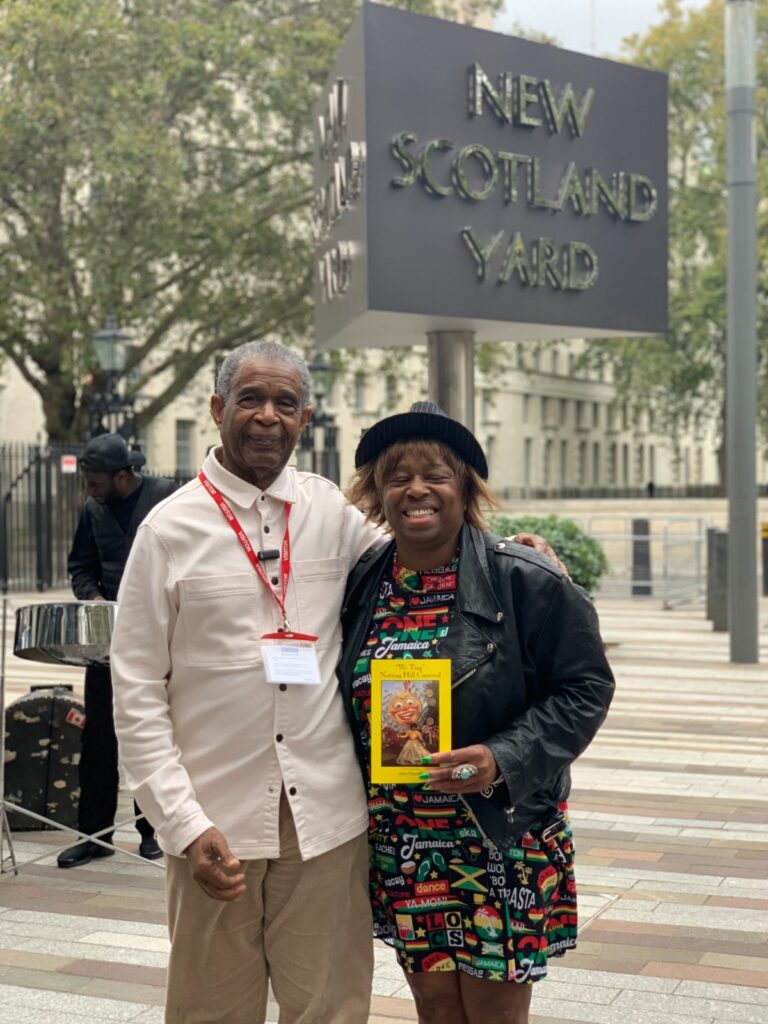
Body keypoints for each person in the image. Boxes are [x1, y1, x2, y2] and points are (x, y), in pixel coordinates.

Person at [109, 341, 384, 1024]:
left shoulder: (331, 513)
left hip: (326, 821)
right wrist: (181, 821)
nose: (268, 416)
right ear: (216, 409)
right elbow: (137, 690)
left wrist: (511, 554)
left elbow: (425, 555)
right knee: (211, 1012)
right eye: (251, 399)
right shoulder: (167, 531)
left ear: (305, 416)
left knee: (332, 1009)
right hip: (215, 824)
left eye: (285, 403)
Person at [338, 402, 615, 1024]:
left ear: (464, 486)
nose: (416, 489)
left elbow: (586, 687)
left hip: (498, 834)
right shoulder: (362, 584)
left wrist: (500, 758)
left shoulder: (525, 578)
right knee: (436, 1010)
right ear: (378, 495)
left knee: (493, 1014)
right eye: (396, 476)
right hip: (404, 842)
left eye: (435, 473)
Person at [57, 433, 177, 868]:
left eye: (95, 481)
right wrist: (90, 595)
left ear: (122, 475)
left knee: (156, 735)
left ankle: (153, 831)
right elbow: (80, 566)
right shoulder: (92, 510)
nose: (89, 490)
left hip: (162, 642)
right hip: (107, 647)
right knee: (99, 741)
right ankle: (93, 836)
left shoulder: (166, 497)